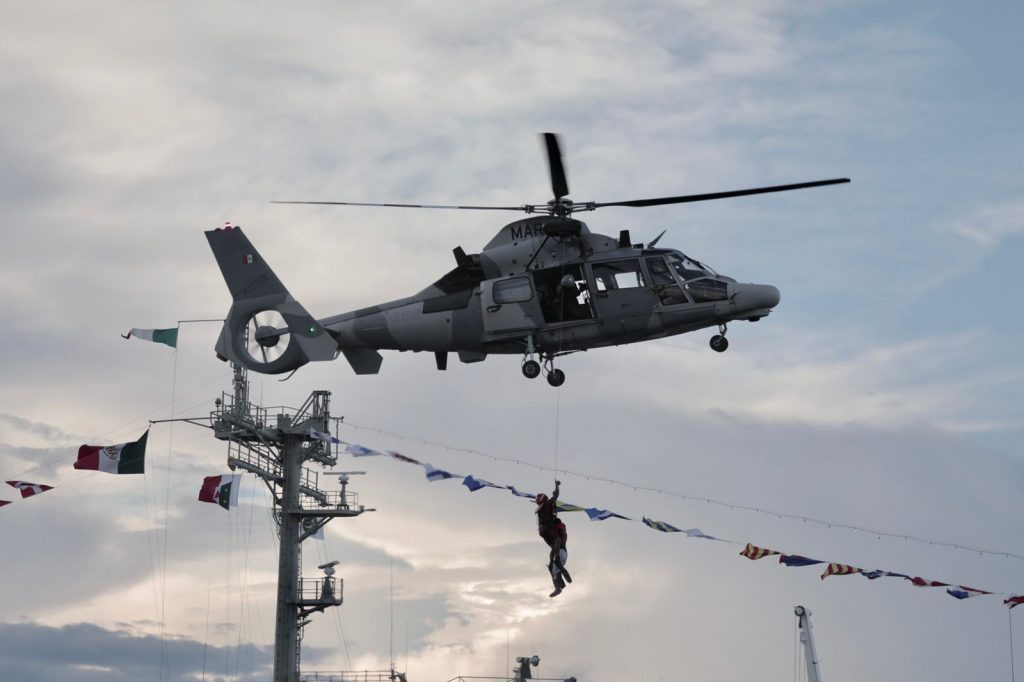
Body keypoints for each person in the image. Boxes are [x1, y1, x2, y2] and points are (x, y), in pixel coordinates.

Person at [536, 480, 572, 597]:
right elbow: (555, 495)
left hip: (542, 531)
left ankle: (559, 586)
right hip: (561, 552)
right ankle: (559, 578)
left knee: (552, 567)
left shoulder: (542, 508)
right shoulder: (547, 506)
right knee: (555, 549)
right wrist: (557, 485)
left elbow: (555, 497)